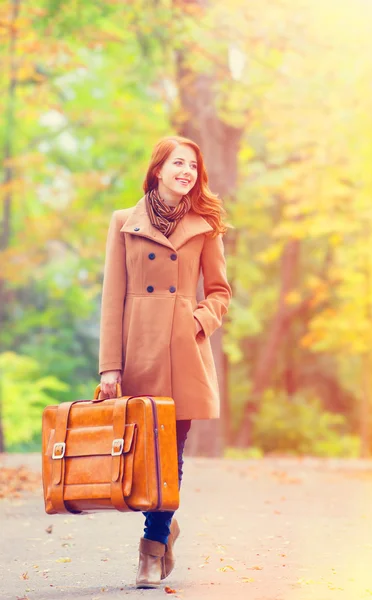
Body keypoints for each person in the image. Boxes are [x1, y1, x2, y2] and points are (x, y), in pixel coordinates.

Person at [98, 135, 232, 589]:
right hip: (138, 351)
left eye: (193, 166)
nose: (187, 172)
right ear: (158, 169)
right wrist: (109, 366)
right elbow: (111, 297)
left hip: (184, 354)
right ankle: (163, 519)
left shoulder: (204, 226)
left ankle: (151, 549)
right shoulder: (122, 223)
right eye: (179, 163)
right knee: (142, 459)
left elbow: (219, 292)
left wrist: (197, 322)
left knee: (168, 456)